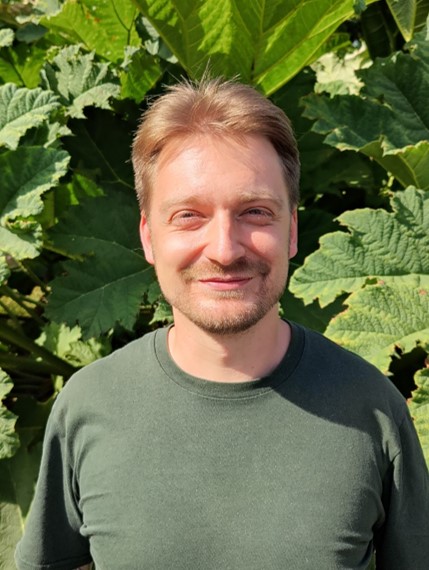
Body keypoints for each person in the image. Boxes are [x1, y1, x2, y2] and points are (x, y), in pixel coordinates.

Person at [15, 78, 429, 570]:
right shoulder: (88, 405)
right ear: (148, 236)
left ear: (292, 230)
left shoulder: (371, 407)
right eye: (189, 216)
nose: (225, 249)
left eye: (255, 212)